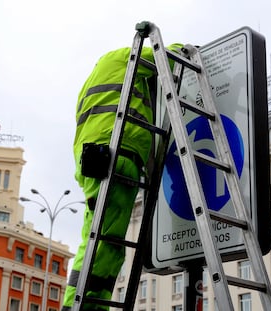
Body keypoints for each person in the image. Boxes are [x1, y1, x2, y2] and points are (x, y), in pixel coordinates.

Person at [62, 42, 183, 311]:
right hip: (118, 154)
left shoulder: (92, 80)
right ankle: (83, 307)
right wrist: (189, 51)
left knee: (99, 239)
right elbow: (166, 56)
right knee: (107, 242)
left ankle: (83, 303)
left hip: (94, 161)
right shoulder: (123, 58)